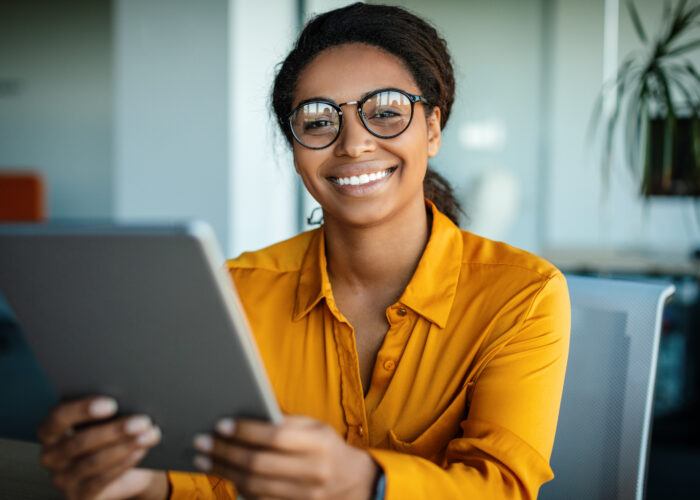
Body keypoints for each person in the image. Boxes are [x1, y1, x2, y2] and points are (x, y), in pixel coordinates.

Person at [37, 3, 570, 499]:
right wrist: (141, 480)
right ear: (295, 151)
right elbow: (214, 472)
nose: (353, 143)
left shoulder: (523, 294)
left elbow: (501, 486)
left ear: (432, 128)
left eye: (386, 112)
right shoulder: (237, 288)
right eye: (318, 121)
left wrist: (365, 481)